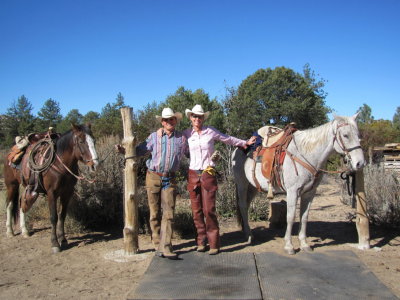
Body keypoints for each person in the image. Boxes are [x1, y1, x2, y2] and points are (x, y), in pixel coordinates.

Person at [183, 104, 256, 255]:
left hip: (208, 172)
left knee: (209, 210)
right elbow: (179, 148)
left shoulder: (210, 131)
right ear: (190, 117)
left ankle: (214, 243)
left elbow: (227, 139)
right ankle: (201, 241)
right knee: (196, 211)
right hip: (193, 174)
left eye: (200, 116)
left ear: (203, 118)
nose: (197, 118)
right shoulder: (186, 134)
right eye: (195, 116)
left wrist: (244, 143)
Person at [117, 108, 187, 259]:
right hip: (153, 176)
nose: (169, 122)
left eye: (172, 119)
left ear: (176, 121)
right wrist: (124, 150)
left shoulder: (181, 138)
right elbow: (139, 151)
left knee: (169, 213)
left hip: (170, 178)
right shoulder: (154, 137)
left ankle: (166, 245)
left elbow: (192, 150)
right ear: (162, 122)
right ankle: (157, 242)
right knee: (154, 212)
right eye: (166, 120)